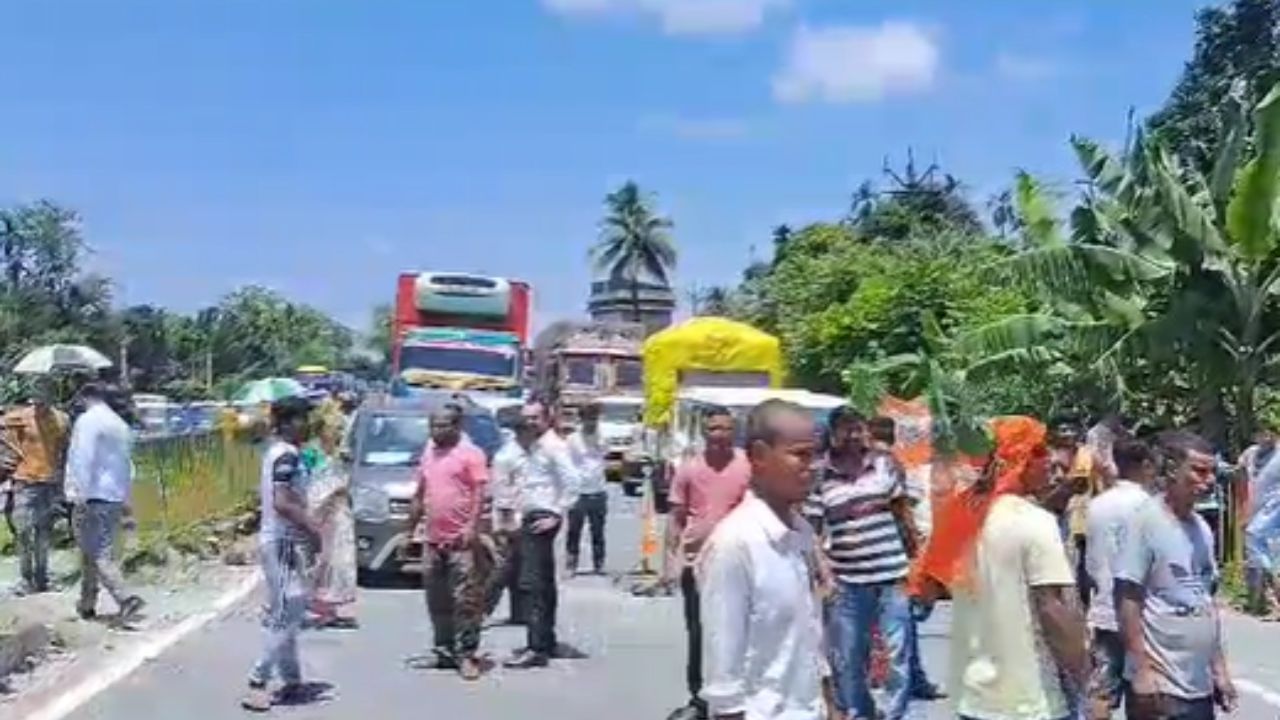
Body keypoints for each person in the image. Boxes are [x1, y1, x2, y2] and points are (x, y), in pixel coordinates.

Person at [914, 416, 1088, 720]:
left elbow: (929, 590)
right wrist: (1089, 683)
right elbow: (1054, 612)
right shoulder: (1035, 521)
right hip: (1031, 702)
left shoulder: (960, 520)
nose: (1048, 461)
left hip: (974, 697)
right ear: (1016, 461)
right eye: (1037, 452)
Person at [701, 399, 826, 720]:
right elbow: (723, 668)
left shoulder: (802, 534)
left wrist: (830, 704)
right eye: (801, 454)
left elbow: (808, 637)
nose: (812, 466)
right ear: (759, 456)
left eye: (815, 454)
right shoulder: (736, 543)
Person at [1116, 431, 1237, 720]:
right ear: (1171, 470)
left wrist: (1219, 670)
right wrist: (1142, 670)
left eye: (1212, 472)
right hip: (1161, 684)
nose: (1208, 481)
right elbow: (1127, 599)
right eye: (1199, 471)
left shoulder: (1202, 529)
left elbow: (1205, 602)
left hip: (1197, 684)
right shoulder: (1144, 521)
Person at [805, 408, 917, 720]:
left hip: (891, 576)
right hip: (847, 581)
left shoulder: (883, 465)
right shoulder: (821, 476)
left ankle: (895, 714)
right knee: (849, 657)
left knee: (898, 653)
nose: (853, 435)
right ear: (833, 434)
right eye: (845, 429)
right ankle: (861, 712)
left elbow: (902, 511)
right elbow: (812, 532)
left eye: (857, 428)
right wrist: (822, 572)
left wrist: (916, 558)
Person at [665, 406, 752, 720]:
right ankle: (700, 699)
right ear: (703, 432)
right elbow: (675, 518)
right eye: (713, 429)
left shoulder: (748, 465)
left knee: (739, 632)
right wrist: (671, 563)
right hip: (697, 564)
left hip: (740, 564)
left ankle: (739, 698)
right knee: (699, 633)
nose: (719, 435)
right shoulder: (689, 468)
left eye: (725, 429)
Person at [243, 396, 324, 712]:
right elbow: (282, 502)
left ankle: (292, 680)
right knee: (290, 608)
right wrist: (313, 529)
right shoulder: (285, 456)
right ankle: (258, 680)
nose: (308, 425)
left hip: (282, 540)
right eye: (303, 418)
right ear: (289, 422)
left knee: (289, 609)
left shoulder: (286, 454)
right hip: (283, 541)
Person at [407, 403, 490, 681]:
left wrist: (471, 527)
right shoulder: (429, 454)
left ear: (457, 426)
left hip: (461, 541)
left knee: (466, 599)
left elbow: (479, 494)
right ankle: (443, 650)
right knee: (437, 598)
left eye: (443, 425)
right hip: (433, 540)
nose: (437, 431)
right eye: (433, 426)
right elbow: (420, 494)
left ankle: (467, 654)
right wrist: (409, 532)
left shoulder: (471, 454)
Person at [866, 414, 945, 703]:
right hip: (893, 556)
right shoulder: (894, 464)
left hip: (875, 556)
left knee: (898, 623)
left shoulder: (871, 465)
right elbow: (906, 508)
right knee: (901, 623)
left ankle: (907, 682)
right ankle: (902, 686)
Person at [1084, 439, 1157, 720]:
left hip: (1103, 610)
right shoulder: (1149, 506)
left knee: (1101, 690)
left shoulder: (1097, 505)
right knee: (1144, 692)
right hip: (1142, 615)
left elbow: (1089, 563)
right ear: (1146, 466)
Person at [504, 401, 580, 670]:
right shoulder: (533, 446)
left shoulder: (552, 446)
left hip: (541, 518)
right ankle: (545, 640)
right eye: (526, 418)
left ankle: (536, 647)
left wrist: (557, 514)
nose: (530, 423)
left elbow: (573, 482)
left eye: (535, 418)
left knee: (532, 583)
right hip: (531, 515)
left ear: (547, 418)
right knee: (543, 583)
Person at [63, 383, 142, 620]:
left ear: (87, 398)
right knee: (90, 550)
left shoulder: (88, 422)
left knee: (98, 551)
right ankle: (87, 603)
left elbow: (82, 459)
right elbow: (128, 466)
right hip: (113, 496)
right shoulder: (119, 424)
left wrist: (77, 493)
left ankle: (125, 597)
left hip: (92, 495)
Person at [2, 382, 70, 595]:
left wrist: (63, 476)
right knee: (23, 531)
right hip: (24, 482)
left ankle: (42, 577)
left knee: (43, 533)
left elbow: (66, 449)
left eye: (43, 397)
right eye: (36, 398)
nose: (38, 402)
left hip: (49, 483)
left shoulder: (62, 419)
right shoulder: (20, 417)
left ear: (51, 397)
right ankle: (25, 578)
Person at [305, 400, 358, 628]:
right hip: (319, 511)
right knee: (319, 560)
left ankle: (329, 606)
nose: (338, 434)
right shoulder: (312, 454)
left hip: (338, 512)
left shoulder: (340, 454)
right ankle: (314, 605)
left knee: (339, 560)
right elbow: (309, 482)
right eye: (335, 430)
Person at [487, 416, 536, 625]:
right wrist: (504, 528)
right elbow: (501, 493)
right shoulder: (506, 456)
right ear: (520, 432)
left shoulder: (532, 453)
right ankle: (481, 609)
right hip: (510, 519)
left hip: (526, 516)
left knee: (522, 568)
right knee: (502, 571)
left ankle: (520, 612)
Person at [565, 402, 608, 575]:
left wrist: (598, 442)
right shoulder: (572, 440)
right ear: (581, 420)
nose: (592, 423)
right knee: (574, 530)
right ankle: (571, 562)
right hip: (578, 492)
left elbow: (605, 455)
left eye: (594, 419)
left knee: (597, 530)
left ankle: (599, 563)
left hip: (598, 490)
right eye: (588, 420)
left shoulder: (602, 436)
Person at [1241, 428, 1280, 615]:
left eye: (1269, 433)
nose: (1265, 437)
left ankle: (1272, 601)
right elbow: (1239, 472)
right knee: (1260, 552)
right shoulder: (1251, 453)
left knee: (1261, 542)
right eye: (1261, 433)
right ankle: (1266, 601)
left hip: (1275, 509)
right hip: (1258, 509)